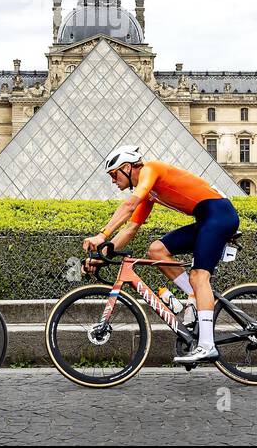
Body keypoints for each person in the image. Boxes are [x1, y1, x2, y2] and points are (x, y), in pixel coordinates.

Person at [82, 146, 239, 365]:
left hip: (219, 215)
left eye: (114, 174)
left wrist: (102, 235)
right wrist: (101, 255)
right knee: (156, 250)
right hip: (207, 219)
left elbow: (129, 206)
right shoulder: (149, 193)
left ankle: (207, 345)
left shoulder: (150, 169)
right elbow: (130, 229)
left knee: (198, 276)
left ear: (127, 168)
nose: (113, 181)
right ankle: (195, 298)